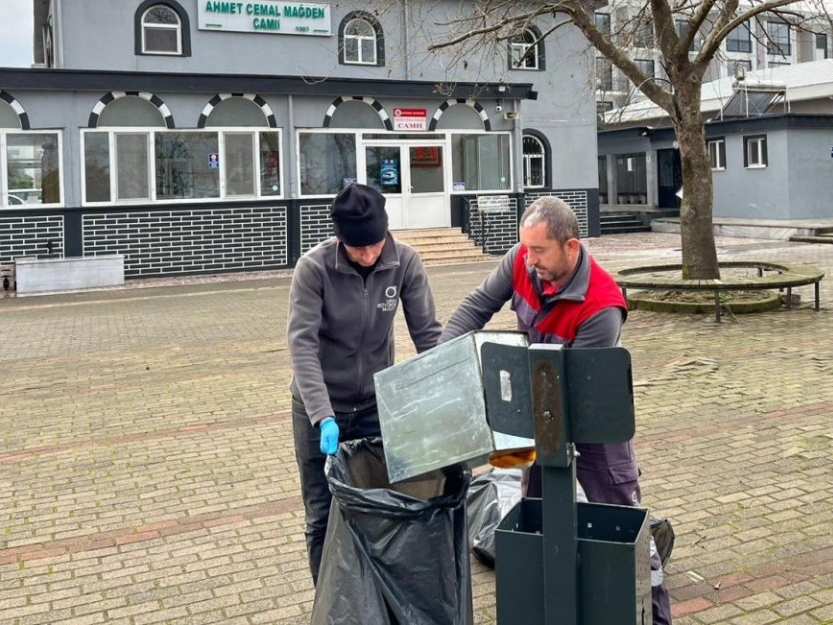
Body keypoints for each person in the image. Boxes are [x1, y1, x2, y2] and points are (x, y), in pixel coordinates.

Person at [440, 194, 672, 625]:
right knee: (538, 517)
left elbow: (571, 401)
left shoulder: (602, 305)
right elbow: (475, 307)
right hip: (541, 414)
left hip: (593, 422)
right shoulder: (521, 261)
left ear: (571, 245)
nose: (530, 261)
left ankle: (653, 616)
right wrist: (440, 358)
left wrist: (510, 424)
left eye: (540, 251)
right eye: (526, 249)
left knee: (625, 528)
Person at [287, 182, 442, 582]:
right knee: (321, 511)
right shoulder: (314, 268)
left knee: (380, 506)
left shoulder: (404, 262)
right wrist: (322, 416)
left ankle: (373, 596)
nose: (370, 255)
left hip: (375, 407)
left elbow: (427, 334)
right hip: (320, 411)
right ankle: (329, 602)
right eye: (359, 249)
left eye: (375, 244)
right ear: (340, 239)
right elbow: (302, 346)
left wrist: (447, 393)